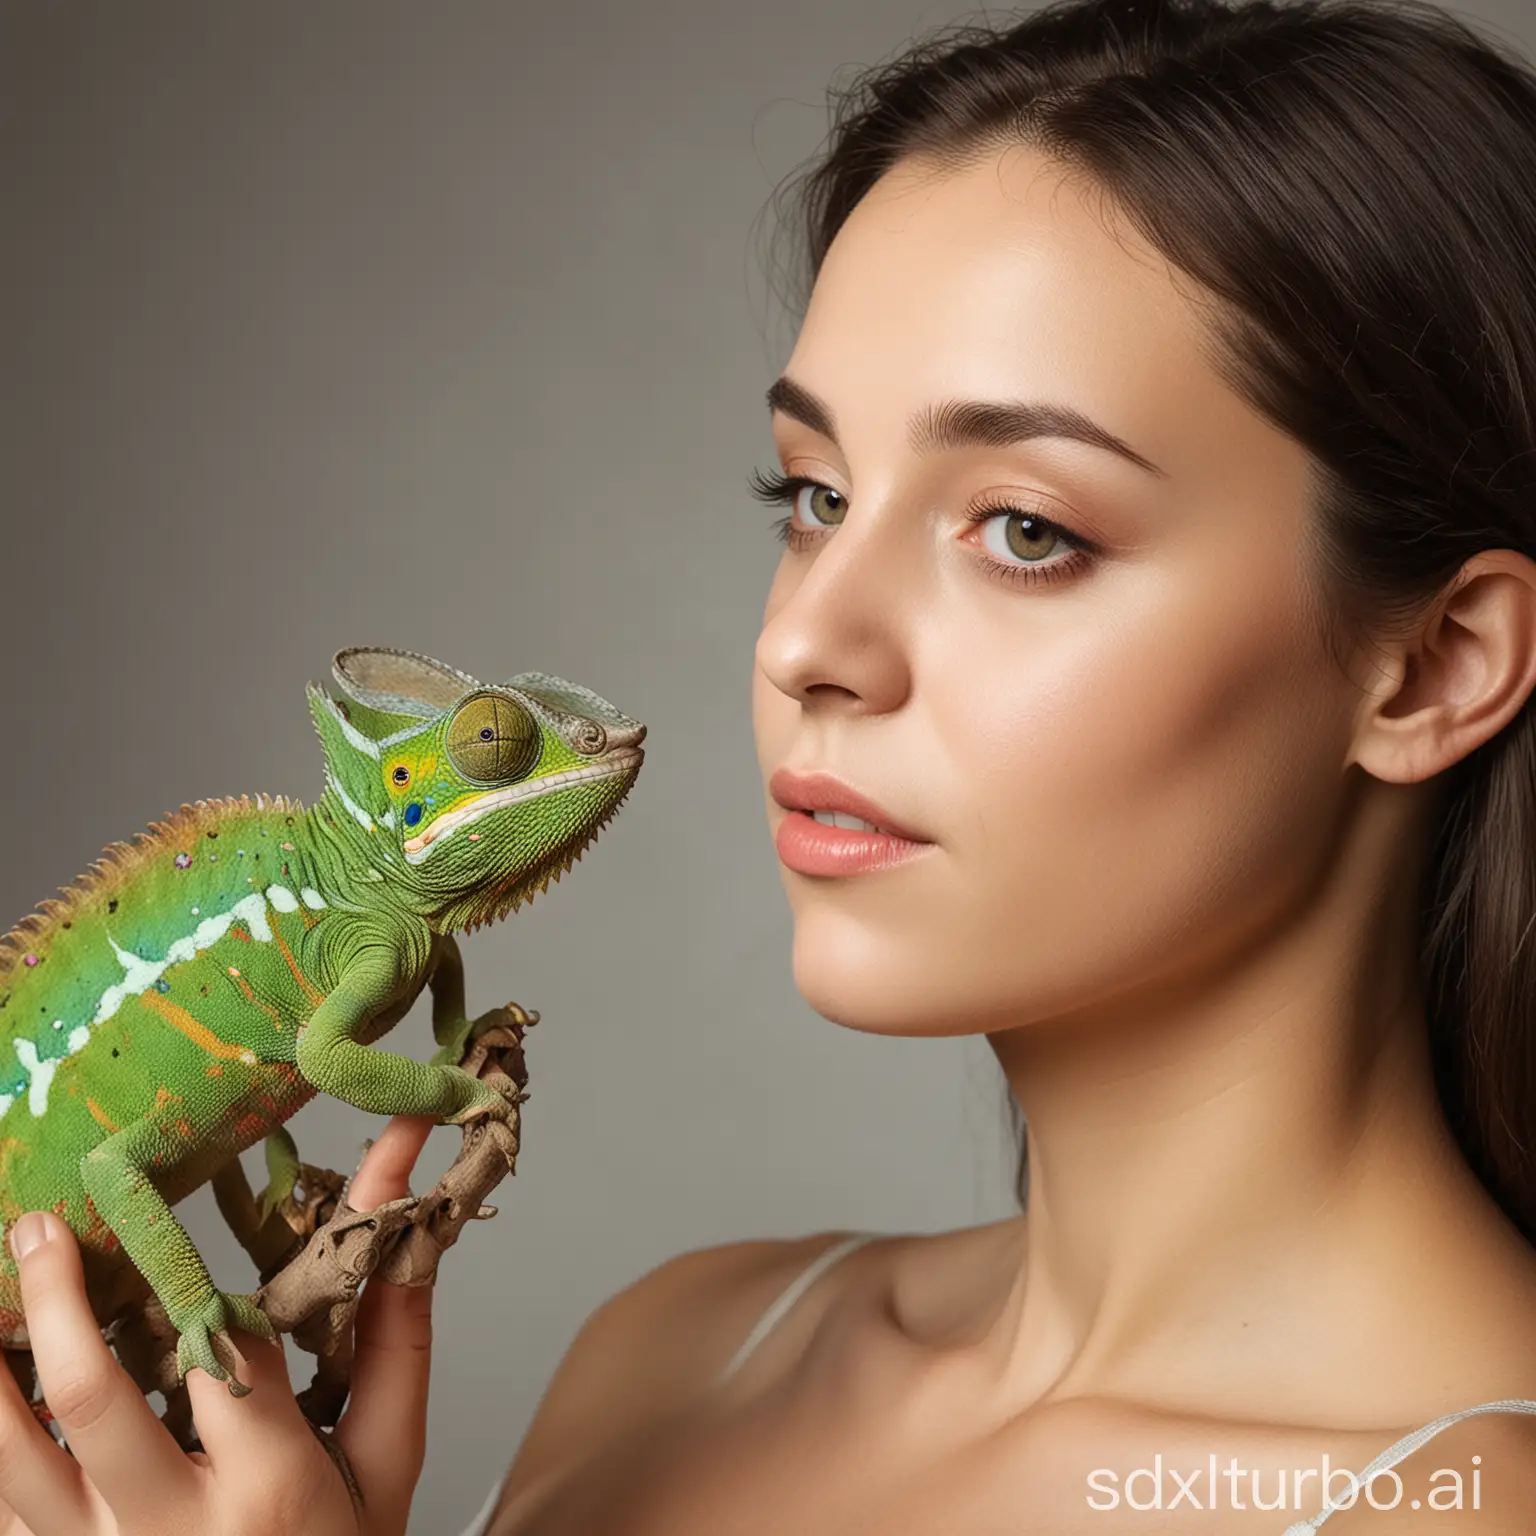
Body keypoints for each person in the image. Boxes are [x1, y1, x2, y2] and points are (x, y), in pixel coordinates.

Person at [9, 0, 1536, 1529]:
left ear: (1435, 665)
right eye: (813, 496)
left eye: (1028, 530)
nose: (807, 641)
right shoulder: (679, 1356)